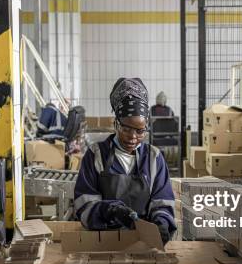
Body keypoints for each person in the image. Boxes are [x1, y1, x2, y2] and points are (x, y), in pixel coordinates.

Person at [73, 78, 177, 244]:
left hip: (143, 242)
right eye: (126, 128)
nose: (133, 137)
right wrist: (110, 211)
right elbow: (83, 205)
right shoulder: (96, 155)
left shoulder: (153, 158)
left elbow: (162, 202)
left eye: (140, 130)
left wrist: (161, 223)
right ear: (116, 124)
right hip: (103, 241)